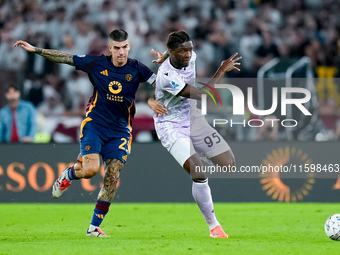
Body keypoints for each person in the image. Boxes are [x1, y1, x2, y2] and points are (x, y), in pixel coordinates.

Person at [14, 29, 166, 237]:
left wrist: (152, 99)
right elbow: (66, 58)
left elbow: (161, 87)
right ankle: (68, 174)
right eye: (117, 48)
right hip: (95, 125)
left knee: (112, 176)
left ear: (129, 47)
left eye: (124, 48)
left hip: (120, 130)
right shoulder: (97, 64)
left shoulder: (137, 68)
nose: (121, 52)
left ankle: (93, 228)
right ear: (110, 48)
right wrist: (37, 50)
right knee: (91, 170)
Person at [149, 31, 241, 238]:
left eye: (190, 50)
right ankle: (214, 227)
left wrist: (164, 54)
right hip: (171, 124)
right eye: (182, 51)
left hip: (193, 117)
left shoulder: (189, 55)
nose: (188, 55)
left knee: (228, 163)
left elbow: (175, 51)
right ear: (174, 52)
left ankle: (197, 159)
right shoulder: (166, 77)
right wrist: (221, 69)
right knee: (199, 172)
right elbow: (204, 96)